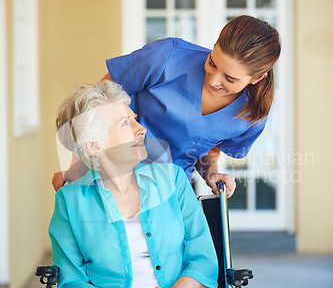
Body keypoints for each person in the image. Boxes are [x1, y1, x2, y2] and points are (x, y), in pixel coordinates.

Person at [49, 81, 235, 288]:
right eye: (126, 123)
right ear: (94, 146)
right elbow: (71, 286)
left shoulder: (174, 180)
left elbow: (203, 260)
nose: (140, 129)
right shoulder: (71, 200)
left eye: (134, 118)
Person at [52, 15, 281, 199]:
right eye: (212, 62)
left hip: (169, 193)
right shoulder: (165, 57)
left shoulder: (251, 116)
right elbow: (94, 107)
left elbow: (208, 147)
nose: (213, 80)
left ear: (257, 78)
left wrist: (211, 172)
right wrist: (75, 172)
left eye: (229, 79)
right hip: (109, 176)